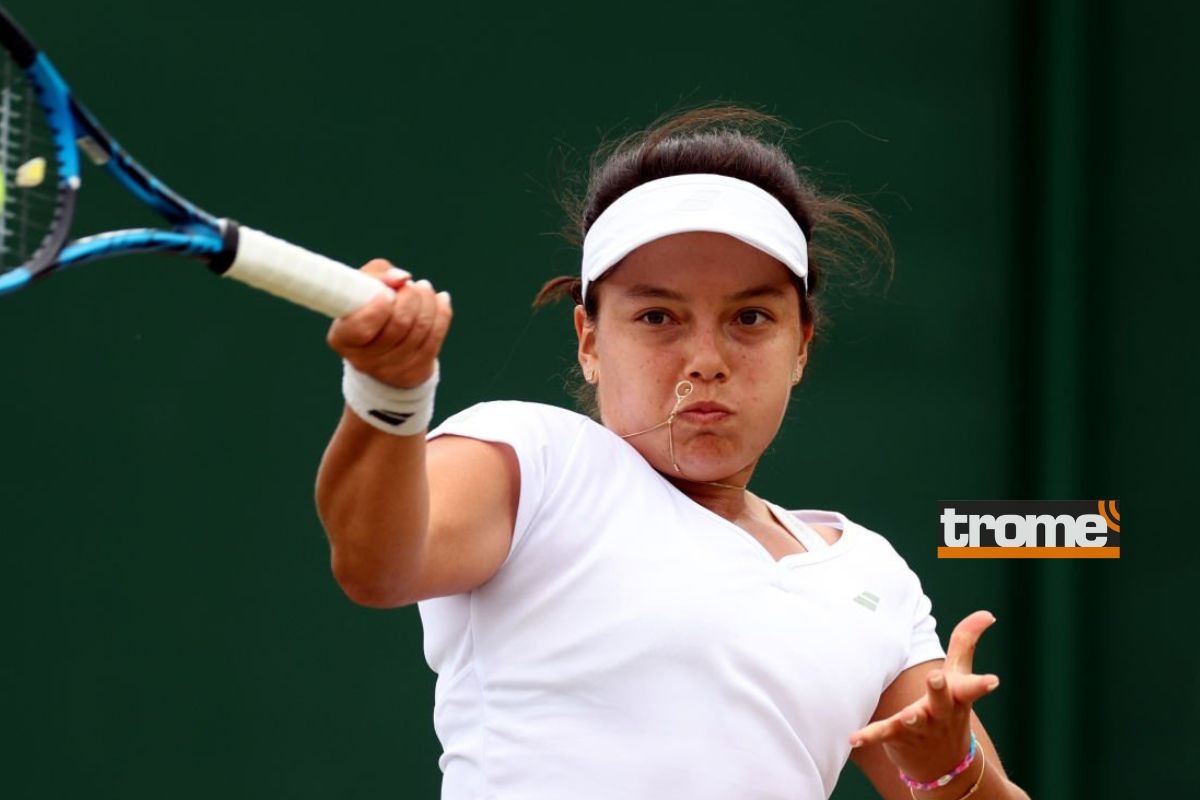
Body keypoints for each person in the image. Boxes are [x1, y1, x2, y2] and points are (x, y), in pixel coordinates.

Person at [315, 108, 1031, 800]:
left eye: (750, 318)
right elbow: (378, 563)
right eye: (658, 317)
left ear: (802, 347)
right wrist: (390, 391)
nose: (706, 360)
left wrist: (949, 771)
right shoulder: (533, 459)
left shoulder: (871, 574)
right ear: (590, 341)